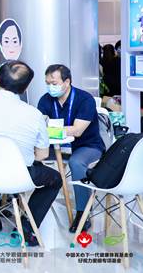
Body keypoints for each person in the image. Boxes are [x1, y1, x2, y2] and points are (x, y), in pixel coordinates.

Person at [0, 61, 62, 246]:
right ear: (25, 88)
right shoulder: (34, 114)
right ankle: (26, 227)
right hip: (18, 177)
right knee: (55, 179)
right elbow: (42, 155)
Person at [38, 64, 105, 233]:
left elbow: (78, 130)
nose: (50, 87)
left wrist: (50, 129)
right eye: (47, 83)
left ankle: (83, 213)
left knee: (76, 162)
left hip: (87, 146)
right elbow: (39, 125)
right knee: (31, 156)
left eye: (54, 83)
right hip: (54, 146)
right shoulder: (45, 100)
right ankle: (24, 209)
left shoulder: (84, 99)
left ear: (67, 82)